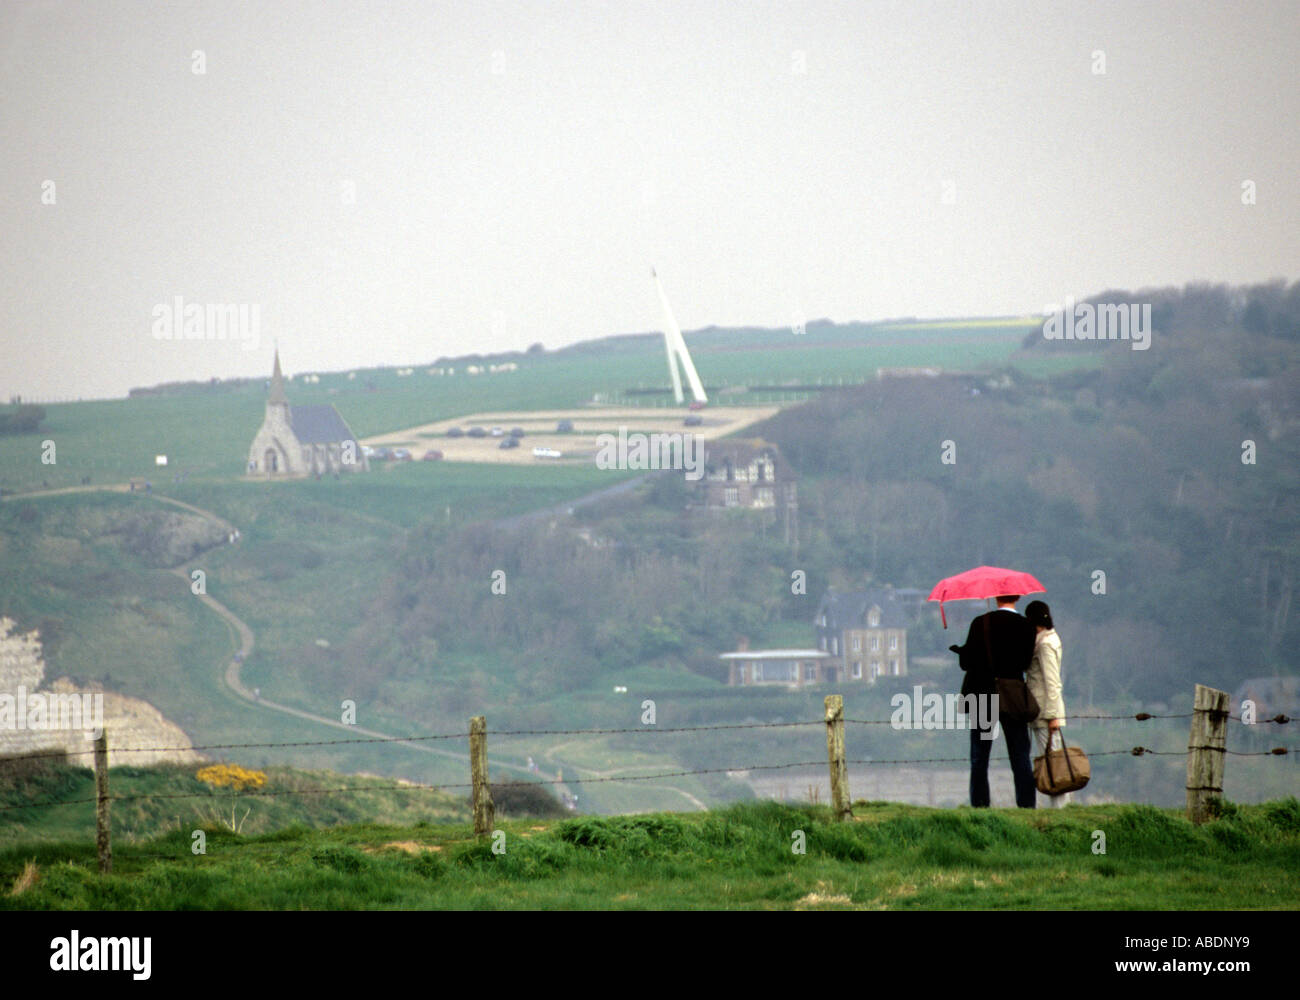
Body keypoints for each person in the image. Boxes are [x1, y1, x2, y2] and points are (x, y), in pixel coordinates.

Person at [950, 594, 1038, 808]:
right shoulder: (1027, 626)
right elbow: (1026, 662)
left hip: (981, 694)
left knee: (979, 757)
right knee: (1020, 755)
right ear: (1017, 597)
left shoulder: (981, 622)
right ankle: (1026, 805)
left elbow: (967, 662)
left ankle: (980, 805)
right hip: (1012, 696)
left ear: (996, 597)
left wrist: (962, 651)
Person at [1025, 600, 1070, 807]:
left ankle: (1060, 807)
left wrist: (1053, 716)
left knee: (1052, 762)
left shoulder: (1043, 645)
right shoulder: (1050, 639)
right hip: (1046, 711)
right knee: (1052, 760)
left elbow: (1052, 682)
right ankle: (1061, 806)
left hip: (1045, 712)